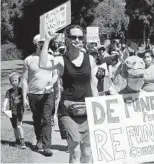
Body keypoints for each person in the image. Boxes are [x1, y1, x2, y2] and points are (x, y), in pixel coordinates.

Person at [38, 25, 99, 163]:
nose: (77, 40)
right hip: (68, 110)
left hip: (86, 109)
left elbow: (93, 86)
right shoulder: (61, 60)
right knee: (75, 149)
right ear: (67, 39)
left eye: (80, 37)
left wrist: (97, 107)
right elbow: (42, 64)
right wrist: (47, 40)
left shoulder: (90, 59)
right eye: (73, 37)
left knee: (87, 151)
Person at [22, 34, 56, 156]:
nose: (46, 44)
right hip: (33, 94)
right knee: (37, 119)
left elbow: (56, 74)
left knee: (47, 119)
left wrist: (52, 81)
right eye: (43, 42)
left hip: (48, 94)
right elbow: (25, 79)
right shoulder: (28, 60)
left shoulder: (51, 58)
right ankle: (39, 139)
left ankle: (47, 146)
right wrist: (24, 96)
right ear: (37, 44)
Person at [2, 72, 26, 149]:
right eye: (12, 81)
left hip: (19, 111)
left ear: (19, 81)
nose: (14, 82)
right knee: (15, 127)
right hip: (11, 111)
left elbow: (26, 98)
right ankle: (17, 140)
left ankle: (22, 142)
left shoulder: (21, 90)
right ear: (10, 82)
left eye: (15, 80)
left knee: (19, 126)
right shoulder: (9, 91)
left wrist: (27, 103)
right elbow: (6, 99)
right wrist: (4, 107)